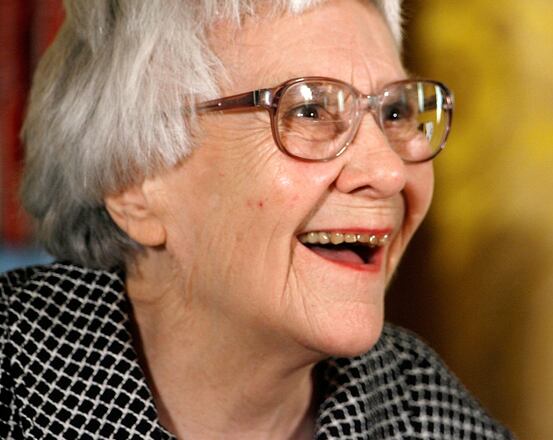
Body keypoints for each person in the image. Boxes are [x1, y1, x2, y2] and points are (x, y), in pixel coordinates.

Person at [0, 0, 513, 438]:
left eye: (396, 113)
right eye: (309, 110)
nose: (388, 171)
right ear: (133, 181)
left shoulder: (427, 413)